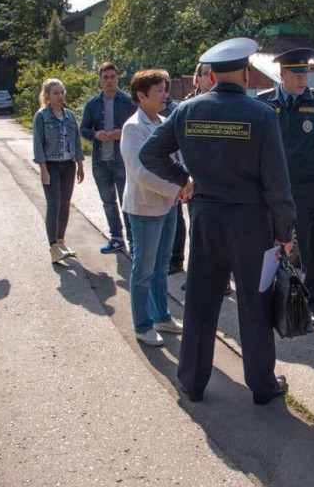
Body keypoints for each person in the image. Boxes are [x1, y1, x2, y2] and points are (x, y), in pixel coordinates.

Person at [139, 38, 296, 405]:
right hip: (251, 223)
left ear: (210, 75)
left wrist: (183, 179)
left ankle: (192, 382)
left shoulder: (188, 111)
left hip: (206, 219)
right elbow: (277, 180)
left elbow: (150, 153)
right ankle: (261, 385)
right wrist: (284, 231)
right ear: (245, 73)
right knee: (254, 304)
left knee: (201, 300)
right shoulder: (261, 114)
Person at [257, 48, 314, 326]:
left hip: (308, 186)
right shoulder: (264, 102)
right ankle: (267, 296)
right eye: (297, 74)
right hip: (273, 187)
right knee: (269, 244)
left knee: (309, 247)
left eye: (306, 73)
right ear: (283, 74)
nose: (303, 79)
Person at [121, 69, 183, 347]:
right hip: (145, 208)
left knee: (160, 265)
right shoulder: (133, 128)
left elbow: (177, 159)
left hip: (168, 205)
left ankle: (161, 316)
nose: (165, 95)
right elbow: (140, 172)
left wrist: (183, 184)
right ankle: (142, 325)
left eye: (165, 89)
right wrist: (178, 189)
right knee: (143, 269)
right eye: (159, 90)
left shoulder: (165, 121)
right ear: (141, 95)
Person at [80, 62, 136, 254]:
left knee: (126, 201)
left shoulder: (129, 101)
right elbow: (84, 129)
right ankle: (116, 238)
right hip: (100, 161)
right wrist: (95, 135)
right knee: (108, 202)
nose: (109, 81)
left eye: (112, 77)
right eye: (105, 77)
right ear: (100, 80)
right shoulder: (93, 104)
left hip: (122, 160)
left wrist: (124, 133)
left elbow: (139, 127)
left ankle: (133, 241)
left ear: (117, 78)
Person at [168, 62, 214, 277]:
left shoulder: (223, 105)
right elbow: (176, 145)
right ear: (198, 78)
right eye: (208, 73)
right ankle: (198, 277)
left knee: (219, 233)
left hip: (220, 179)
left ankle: (219, 279)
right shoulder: (187, 107)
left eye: (216, 73)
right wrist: (182, 179)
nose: (213, 77)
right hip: (194, 179)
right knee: (197, 230)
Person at [32, 79, 85, 263]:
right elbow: (38, 144)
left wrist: (80, 164)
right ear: (47, 96)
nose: (60, 96)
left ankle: (61, 241)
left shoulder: (69, 115)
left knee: (65, 204)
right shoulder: (42, 116)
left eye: (62, 92)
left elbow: (76, 140)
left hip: (68, 165)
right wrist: (43, 169)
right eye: (55, 93)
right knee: (53, 204)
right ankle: (53, 246)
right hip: (51, 165)